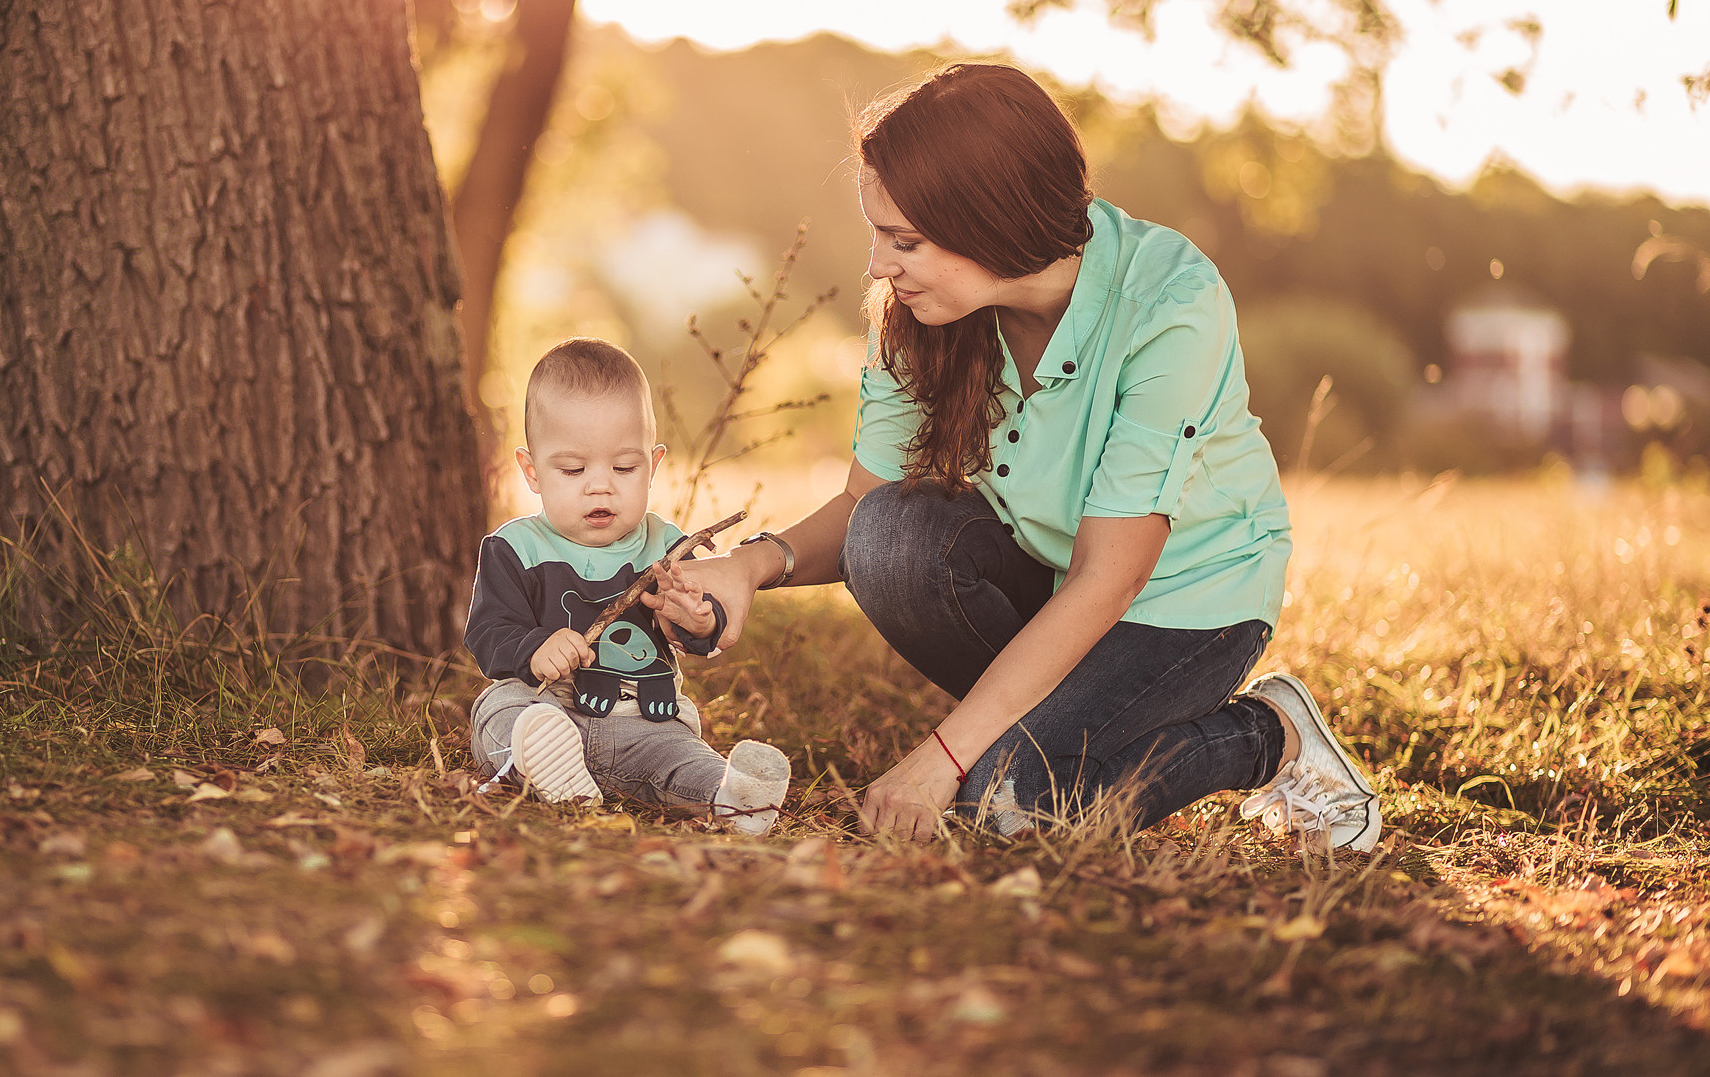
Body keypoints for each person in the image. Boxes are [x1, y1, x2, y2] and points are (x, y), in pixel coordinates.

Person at [684, 63, 1380, 853]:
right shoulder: (918, 313)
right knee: (887, 537)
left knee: (1009, 805)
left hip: (1189, 605)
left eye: (904, 241)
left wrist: (941, 758)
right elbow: (861, 510)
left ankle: (1265, 734)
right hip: (1050, 579)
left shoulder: (1171, 302)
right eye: (878, 235)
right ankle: (1041, 734)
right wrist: (748, 566)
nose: (878, 265)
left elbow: (1108, 577)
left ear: (991, 221)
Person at [465, 338, 793, 835]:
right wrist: (535, 648)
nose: (601, 485)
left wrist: (699, 618)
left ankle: (733, 800)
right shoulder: (515, 548)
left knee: (684, 756)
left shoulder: (668, 547)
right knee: (498, 708)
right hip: (550, 711)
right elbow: (488, 632)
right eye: (573, 470)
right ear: (532, 472)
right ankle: (548, 766)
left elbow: (702, 629)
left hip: (647, 721)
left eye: (624, 468)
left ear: (654, 465)